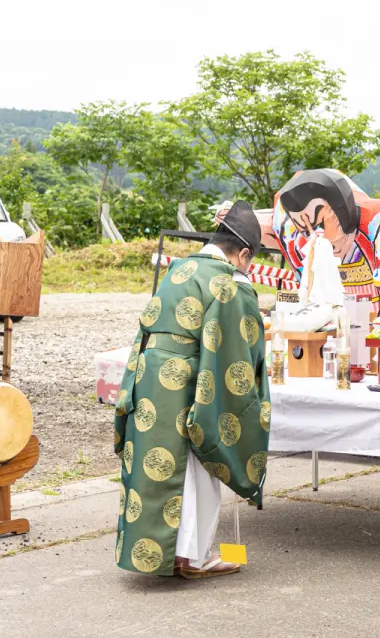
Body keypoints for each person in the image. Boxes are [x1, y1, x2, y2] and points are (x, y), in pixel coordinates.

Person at [113, 201, 271, 579]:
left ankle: (157, 554)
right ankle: (190, 558)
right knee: (196, 468)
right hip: (189, 385)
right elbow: (238, 354)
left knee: (157, 469)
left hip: (149, 378)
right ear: (244, 253)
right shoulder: (231, 283)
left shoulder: (179, 268)